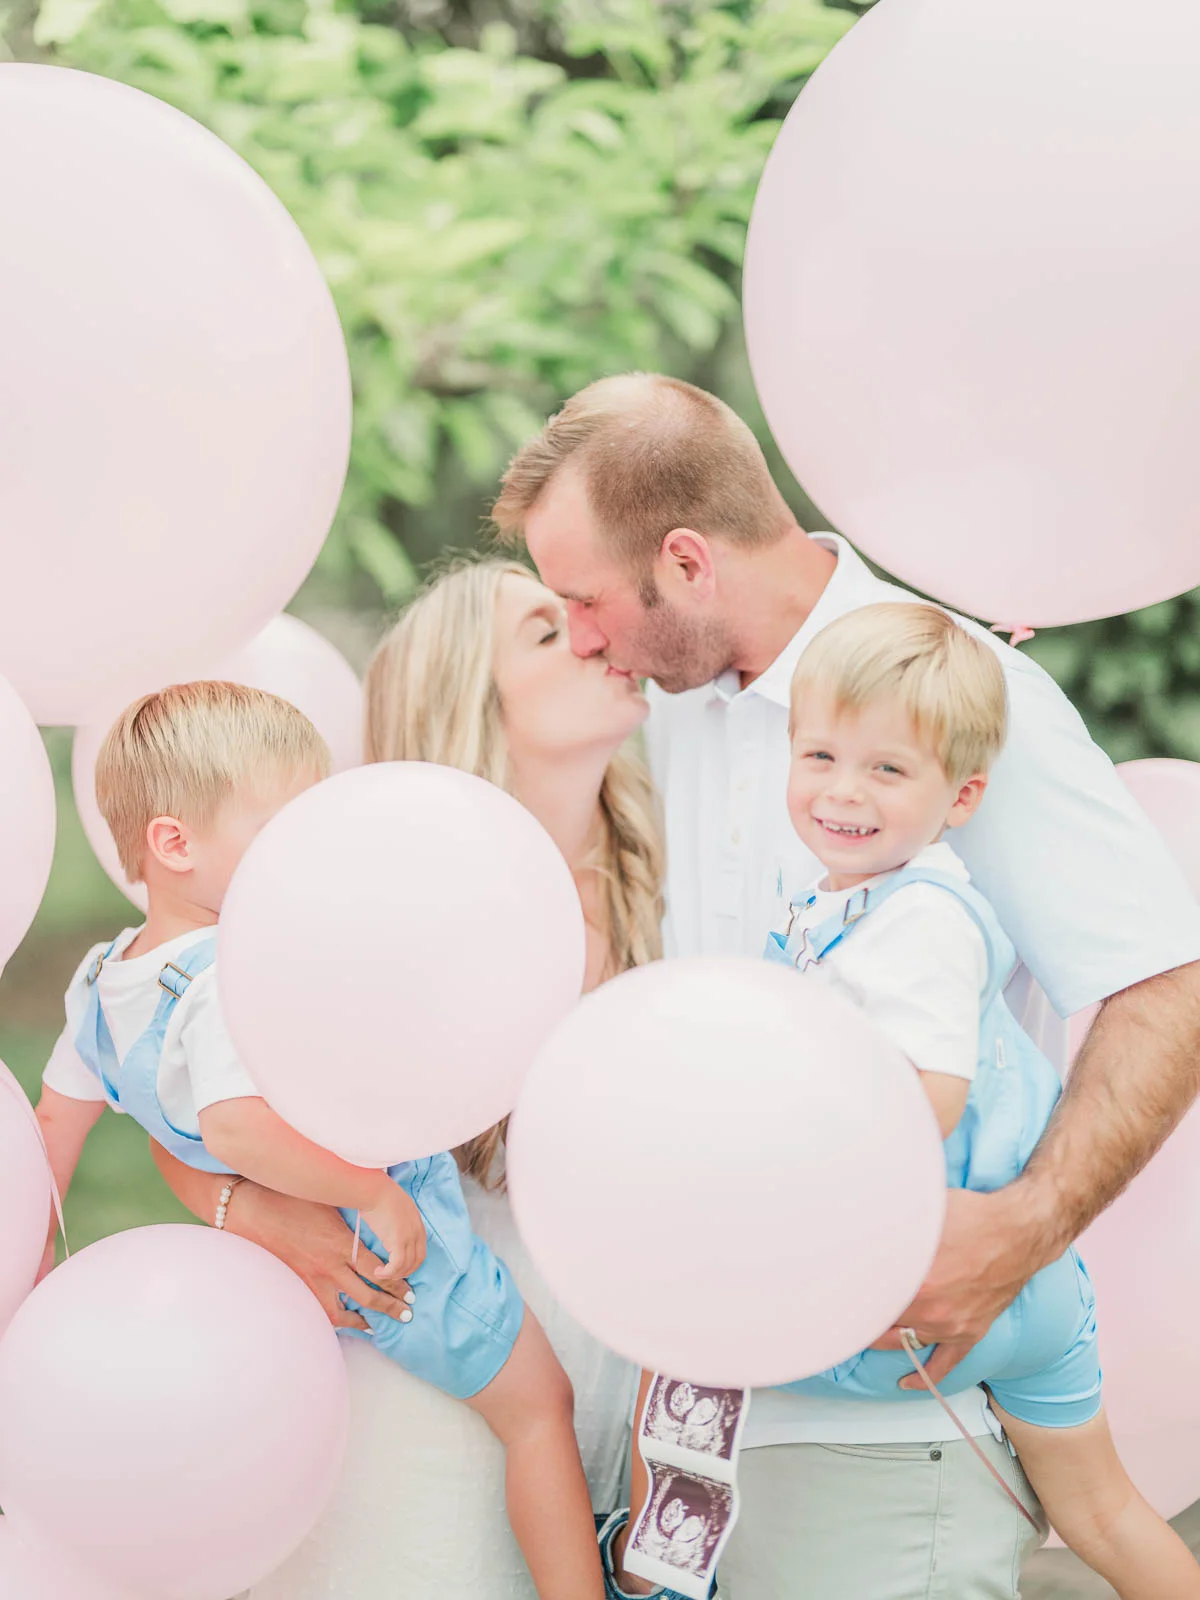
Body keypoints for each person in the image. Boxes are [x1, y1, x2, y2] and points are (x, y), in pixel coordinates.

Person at [490, 371, 1200, 1599]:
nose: (584, 636)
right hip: (691, 1425)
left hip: (890, 1430)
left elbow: (1167, 983)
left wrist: (1027, 1228)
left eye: (586, 601)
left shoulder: (956, 697)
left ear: (686, 562)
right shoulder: (661, 710)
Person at [153, 562, 665, 1599]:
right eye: (541, 631)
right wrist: (244, 1206)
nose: (593, 629)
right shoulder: (372, 895)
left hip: (610, 1397)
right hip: (424, 1383)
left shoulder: (670, 876)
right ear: (468, 703)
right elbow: (174, 1089)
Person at [34, 678, 608, 1600]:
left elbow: (55, 1128)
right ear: (175, 844)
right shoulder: (227, 978)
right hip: (382, 1237)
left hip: (255, 1264)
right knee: (541, 1410)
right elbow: (238, 1127)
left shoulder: (103, 981)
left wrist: (27, 1273)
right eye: (283, 831)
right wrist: (375, 1192)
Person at [763, 603, 1196, 1597]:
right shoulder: (842, 900)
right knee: (1103, 1512)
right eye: (821, 753)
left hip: (958, 1277)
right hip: (1035, 1286)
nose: (843, 791)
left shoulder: (917, 918)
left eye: (887, 769)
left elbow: (932, 1103)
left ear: (961, 796)